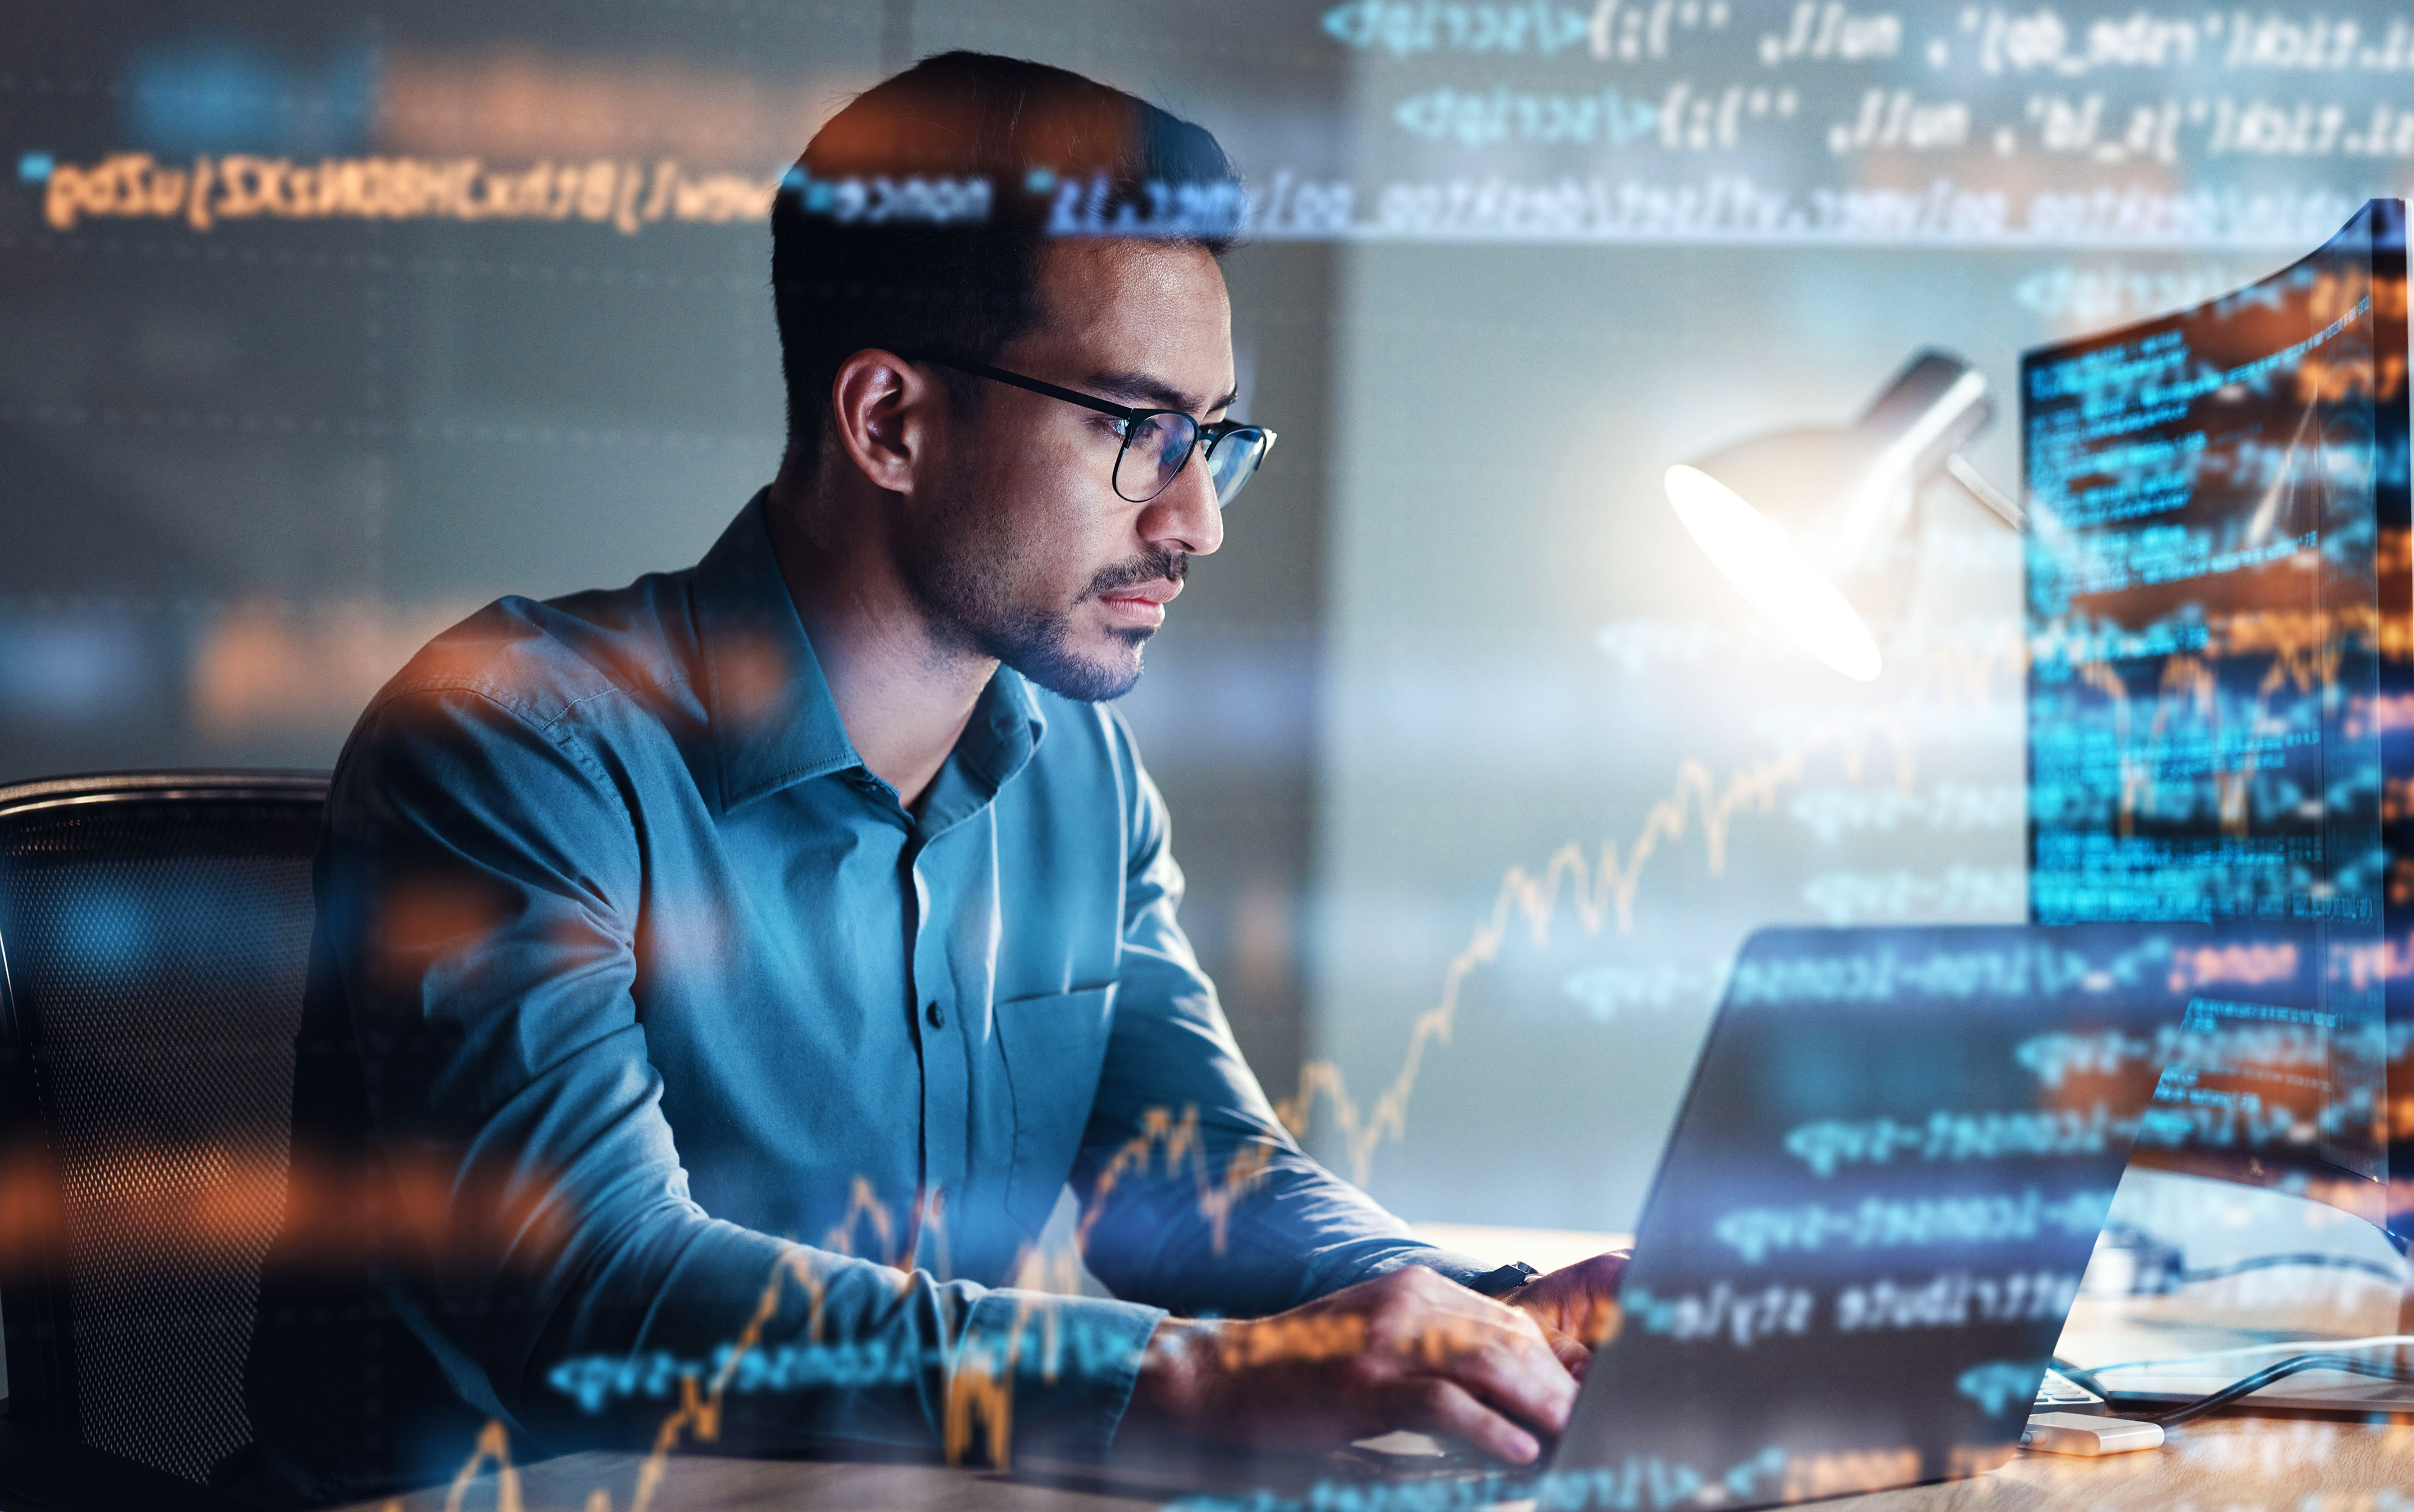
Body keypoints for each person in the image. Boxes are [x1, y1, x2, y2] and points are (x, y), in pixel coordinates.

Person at [230, 51, 1625, 1507]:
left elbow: (1189, 1169)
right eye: (1138, 432)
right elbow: (587, 1293)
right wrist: (1197, 1379)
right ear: (889, 420)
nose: (1197, 518)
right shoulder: (514, 741)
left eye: (1213, 439)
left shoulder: (1076, 765)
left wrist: (1476, 1305)